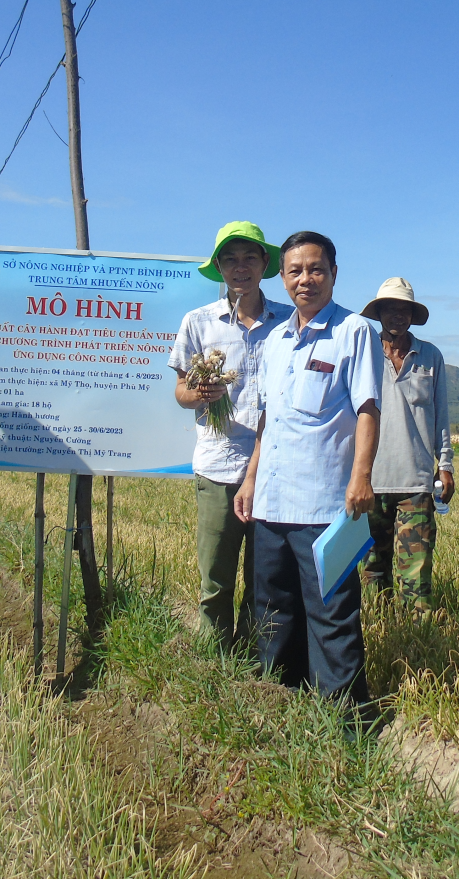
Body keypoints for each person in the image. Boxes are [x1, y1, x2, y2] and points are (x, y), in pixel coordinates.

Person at [233, 232, 383, 708]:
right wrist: (251, 478)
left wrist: (361, 477)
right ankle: (281, 704)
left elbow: (367, 410)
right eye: (295, 271)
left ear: (334, 274)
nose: (306, 279)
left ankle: (344, 721)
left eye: (316, 269)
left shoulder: (355, 332)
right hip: (272, 504)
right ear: (282, 277)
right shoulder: (275, 340)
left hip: (325, 507)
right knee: (273, 612)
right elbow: (267, 420)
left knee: (332, 614)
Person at [168, 221, 293, 647]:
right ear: (219, 267)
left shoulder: (289, 324)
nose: (240, 267)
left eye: (249, 258)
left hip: (275, 469)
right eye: (231, 259)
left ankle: (256, 659)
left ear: (264, 265)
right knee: (216, 579)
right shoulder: (198, 322)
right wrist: (200, 392)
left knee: (265, 579)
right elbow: (181, 393)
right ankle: (214, 659)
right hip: (219, 465)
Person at [358, 278, 453, 614]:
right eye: (390, 309)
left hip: (416, 480)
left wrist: (446, 465)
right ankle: (378, 631)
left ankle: (419, 640)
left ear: (412, 315)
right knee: (372, 568)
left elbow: (441, 414)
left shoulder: (430, 356)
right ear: (379, 313)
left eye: (404, 310)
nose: (397, 315)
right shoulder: (364, 352)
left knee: (417, 573)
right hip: (369, 479)